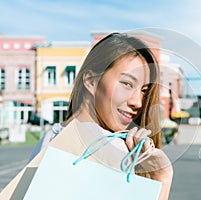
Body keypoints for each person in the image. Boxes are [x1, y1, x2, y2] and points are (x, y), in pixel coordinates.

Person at [30, 32, 173, 200]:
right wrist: (162, 177)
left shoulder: (49, 138)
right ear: (91, 81)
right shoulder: (112, 148)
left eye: (143, 91)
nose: (138, 102)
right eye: (127, 83)